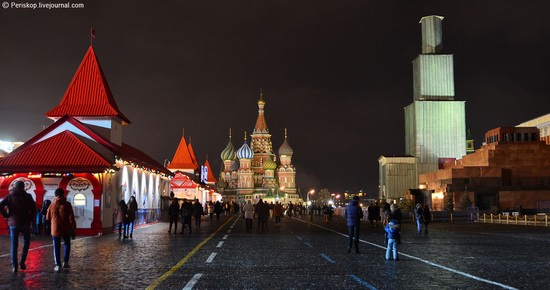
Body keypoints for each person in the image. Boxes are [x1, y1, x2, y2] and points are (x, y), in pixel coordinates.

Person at [0, 180, 37, 273]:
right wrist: (32, 220)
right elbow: (33, 209)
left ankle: (14, 266)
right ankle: (22, 262)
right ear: (23, 187)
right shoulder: (28, 196)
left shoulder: (10, 196)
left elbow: (0, 206)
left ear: (15, 186)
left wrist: (7, 216)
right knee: (26, 243)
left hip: (13, 223)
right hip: (25, 222)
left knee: (14, 244)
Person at [46, 188, 77, 271]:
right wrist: (73, 228)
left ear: (55, 195)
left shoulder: (52, 205)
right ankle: (65, 262)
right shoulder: (67, 204)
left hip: (55, 228)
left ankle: (58, 265)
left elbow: (48, 217)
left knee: (56, 246)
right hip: (66, 227)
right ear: (63, 194)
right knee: (67, 244)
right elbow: (71, 217)